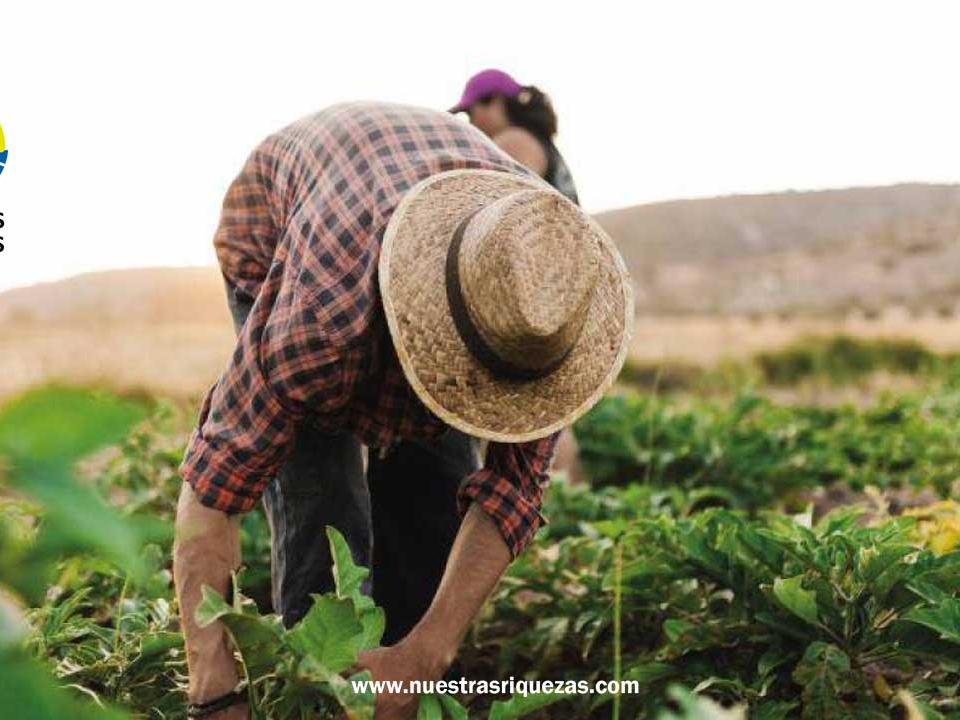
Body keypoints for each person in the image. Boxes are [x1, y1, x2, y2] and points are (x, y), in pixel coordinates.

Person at [173, 101, 632, 720]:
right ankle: (324, 693)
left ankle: (403, 695)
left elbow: (510, 497)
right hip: (279, 231)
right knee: (325, 501)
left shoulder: (542, 310)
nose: (466, 392)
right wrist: (215, 689)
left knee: (432, 507)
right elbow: (214, 490)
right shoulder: (317, 324)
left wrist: (425, 655)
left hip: (403, 211)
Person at [450, 69, 579, 204]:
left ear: (495, 102)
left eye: (470, 113)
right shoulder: (534, 138)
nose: (471, 123)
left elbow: (510, 202)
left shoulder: (512, 140)